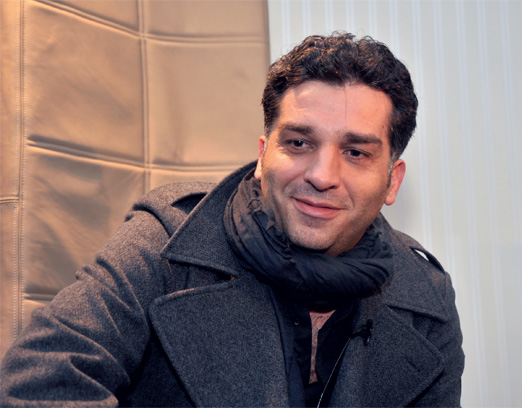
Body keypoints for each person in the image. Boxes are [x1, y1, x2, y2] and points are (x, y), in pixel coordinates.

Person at [0, 33, 464, 407]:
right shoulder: (165, 240)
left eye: (356, 152)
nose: (322, 176)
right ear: (262, 156)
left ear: (391, 181)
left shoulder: (427, 296)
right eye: (299, 143)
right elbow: (38, 384)